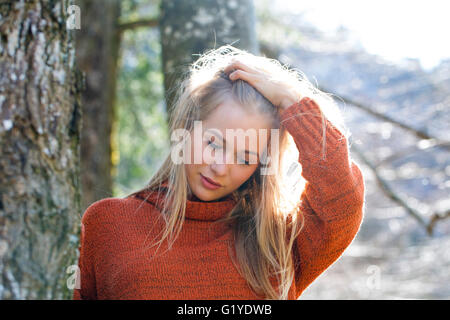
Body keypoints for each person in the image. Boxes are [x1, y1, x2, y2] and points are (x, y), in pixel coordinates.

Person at [73, 45, 365, 300]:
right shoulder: (108, 225)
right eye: (214, 143)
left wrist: (291, 98)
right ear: (186, 128)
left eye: (245, 158)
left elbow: (342, 203)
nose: (221, 167)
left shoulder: (278, 240)